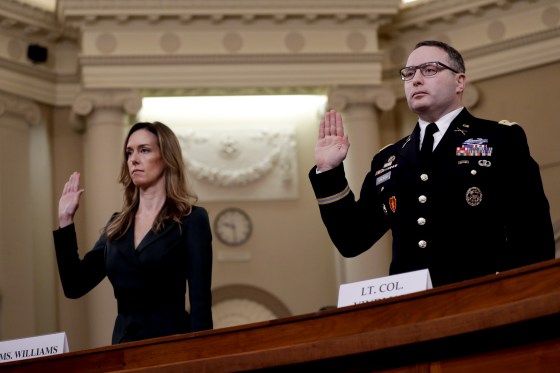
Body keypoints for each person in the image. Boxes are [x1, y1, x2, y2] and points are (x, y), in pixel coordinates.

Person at [309, 40, 555, 287]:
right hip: (412, 310)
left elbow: (533, 235)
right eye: (409, 73)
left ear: (459, 82)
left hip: (481, 298)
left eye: (429, 70)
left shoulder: (499, 139)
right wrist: (328, 171)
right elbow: (352, 239)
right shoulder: (388, 159)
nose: (415, 79)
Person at [54, 121, 213, 344]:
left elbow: (201, 303)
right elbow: (75, 285)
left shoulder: (191, 220)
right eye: (129, 152)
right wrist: (65, 220)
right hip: (124, 348)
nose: (133, 159)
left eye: (144, 150)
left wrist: (203, 359)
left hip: (173, 347)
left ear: (166, 158)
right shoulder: (117, 225)